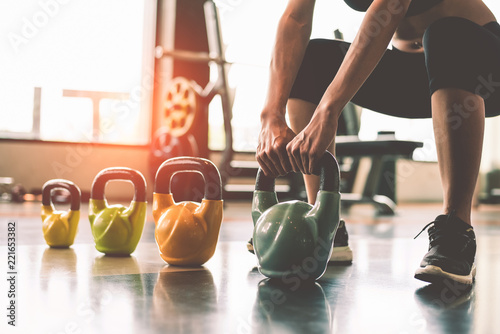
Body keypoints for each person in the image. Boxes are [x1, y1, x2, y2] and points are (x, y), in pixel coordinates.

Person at [254, 0, 500, 285]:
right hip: (413, 73)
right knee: (314, 58)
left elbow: (389, 8)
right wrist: (270, 115)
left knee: (445, 33)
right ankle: (323, 224)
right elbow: (294, 19)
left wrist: (328, 110)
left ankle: (457, 230)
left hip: (481, 66)